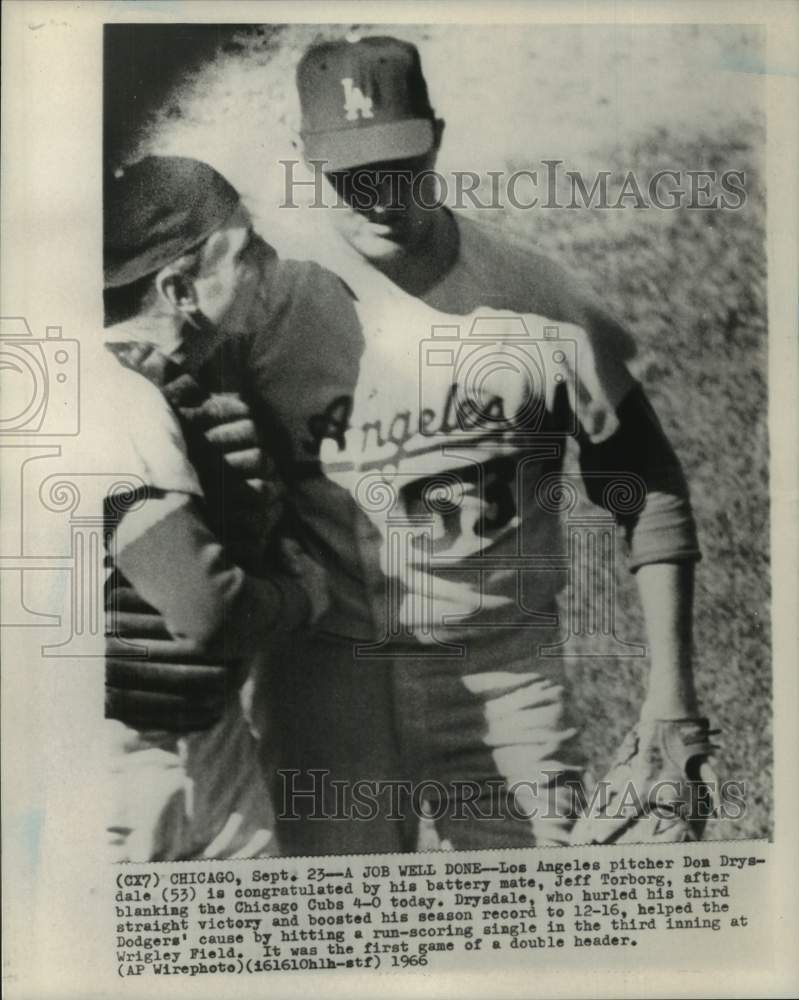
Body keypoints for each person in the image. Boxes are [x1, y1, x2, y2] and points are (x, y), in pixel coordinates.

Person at [223, 34, 716, 855]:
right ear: (304, 162)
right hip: (327, 677)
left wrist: (671, 695)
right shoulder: (266, 305)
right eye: (350, 175)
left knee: (526, 945)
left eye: (400, 165)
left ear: (438, 137)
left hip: (504, 671)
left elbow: (645, 484)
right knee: (335, 948)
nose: (379, 196)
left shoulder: (534, 294)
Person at [101, 155, 331, 861]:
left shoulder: (165, 384)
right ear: (178, 288)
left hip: (201, 739)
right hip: (132, 767)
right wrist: (304, 597)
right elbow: (207, 611)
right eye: (245, 249)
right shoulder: (116, 403)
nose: (267, 261)